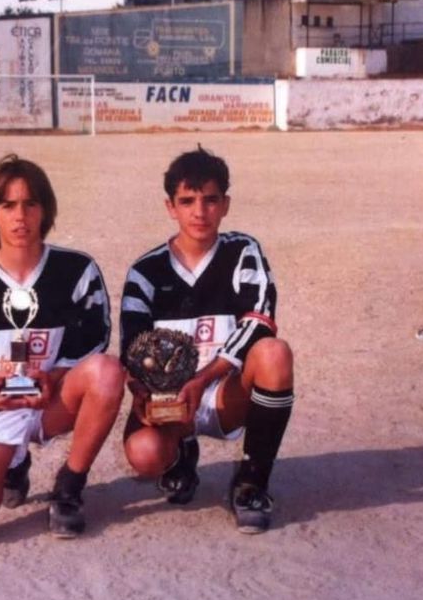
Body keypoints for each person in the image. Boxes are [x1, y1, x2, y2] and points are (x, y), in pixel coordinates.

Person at [0, 153, 124, 542]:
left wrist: (56, 374)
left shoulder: (76, 270)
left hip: (53, 399)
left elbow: (96, 333)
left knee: (107, 372)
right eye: (8, 205)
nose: (20, 216)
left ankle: (69, 486)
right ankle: (13, 466)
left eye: (30, 204)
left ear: (45, 210)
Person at [120, 147, 294, 533]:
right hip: (173, 402)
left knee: (274, 354)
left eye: (210, 200)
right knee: (144, 453)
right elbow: (131, 349)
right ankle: (179, 455)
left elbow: (260, 321)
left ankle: (252, 483)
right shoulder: (146, 271)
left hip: (225, 391)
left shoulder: (242, 252)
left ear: (225, 204)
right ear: (170, 207)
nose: (200, 212)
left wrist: (204, 378)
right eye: (187, 201)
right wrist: (140, 392)